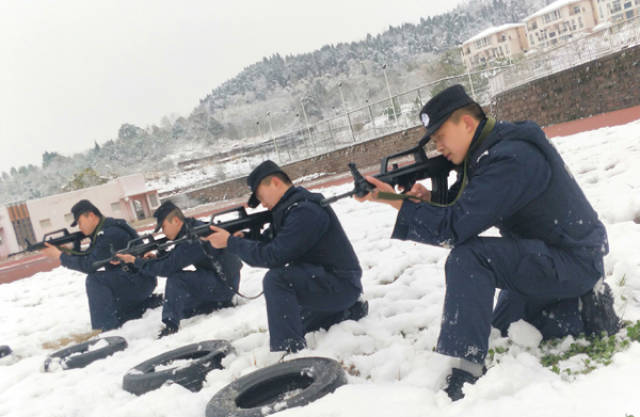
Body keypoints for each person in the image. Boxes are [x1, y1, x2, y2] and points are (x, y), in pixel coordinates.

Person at [357, 84, 619, 400]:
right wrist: (424, 198)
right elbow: (465, 204)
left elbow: (454, 229)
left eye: (441, 136)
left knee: (469, 258)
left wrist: (393, 201)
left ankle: (466, 371)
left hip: (572, 261)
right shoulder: (489, 153)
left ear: (467, 123)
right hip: (551, 256)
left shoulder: (510, 158)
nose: (438, 146)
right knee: (504, 327)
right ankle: (582, 305)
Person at [205, 160, 368, 353]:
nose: (262, 204)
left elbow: (273, 256)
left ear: (275, 182)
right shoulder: (290, 210)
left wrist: (231, 243)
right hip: (328, 282)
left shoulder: (304, 211)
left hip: (341, 284)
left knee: (277, 280)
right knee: (294, 322)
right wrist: (243, 238)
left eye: (260, 196)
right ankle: (347, 311)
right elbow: (271, 243)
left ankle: (288, 352)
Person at [117, 201, 242, 337]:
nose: (163, 232)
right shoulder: (191, 230)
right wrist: (154, 258)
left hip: (224, 284)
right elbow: (176, 257)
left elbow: (168, 268)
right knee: (184, 309)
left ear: (176, 221)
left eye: (164, 227)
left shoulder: (193, 237)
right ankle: (217, 304)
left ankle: (171, 326)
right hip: (222, 279)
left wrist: (136, 261)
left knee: (176, 279)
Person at [41, 199, 159, 332]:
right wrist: (67, 250)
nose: (79, 227)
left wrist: (60, 256)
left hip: (139, 282)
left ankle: (105, 330)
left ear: (91, 216)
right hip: (138, 279)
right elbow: (89, 256)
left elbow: (88, 265)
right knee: (113, 303)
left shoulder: (109, 234)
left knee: (95, 280)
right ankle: (139, 307)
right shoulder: (104, 231)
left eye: (80, 222)